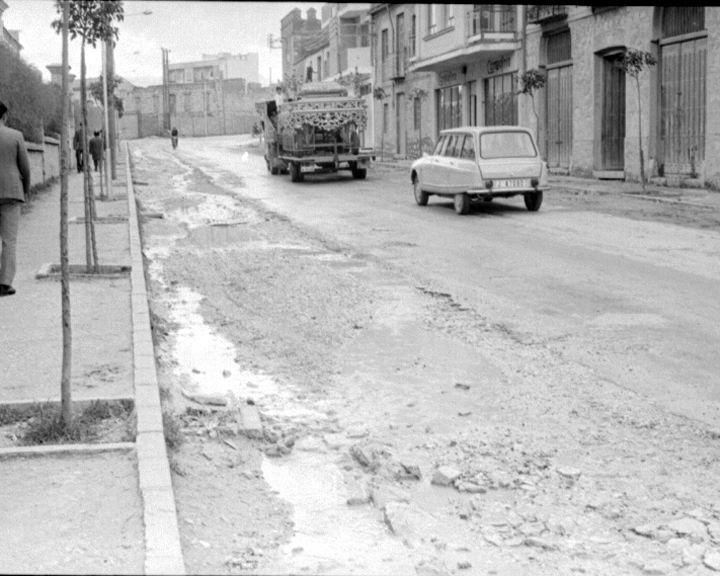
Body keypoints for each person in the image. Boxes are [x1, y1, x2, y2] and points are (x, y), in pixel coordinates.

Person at [0, 100, 31, 297]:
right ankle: (4, 283)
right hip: (11, 194)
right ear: (4, 116)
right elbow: (25, 168)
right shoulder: (15, 136)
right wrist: (25, 190)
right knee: (9, 240)